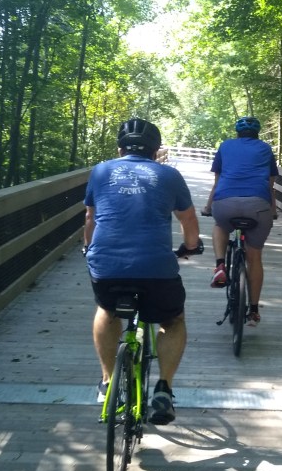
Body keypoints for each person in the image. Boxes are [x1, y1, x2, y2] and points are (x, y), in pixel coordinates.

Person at [83, 117, 203, 425]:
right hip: (156, 268)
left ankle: (108, 381)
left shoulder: (101, 171)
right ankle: (163, 389)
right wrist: (190, 247)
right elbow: (188, 221)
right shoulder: (169, 174)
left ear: (120, 149)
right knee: (172, 320)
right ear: (155, 151)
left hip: (107, 265)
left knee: (106, 309)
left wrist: (88, 248)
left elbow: (90, 219)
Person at [200, 116, 278, 327]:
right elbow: (270, 185)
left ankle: (220, 265)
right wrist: (273, 211)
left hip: (225, 203)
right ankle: (253, 310)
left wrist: (208, 207)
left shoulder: (225, 146)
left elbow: (218, 182)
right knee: (255, 256)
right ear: (257, 133)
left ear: (237, 132)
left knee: (220, 225)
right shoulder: (265, 148)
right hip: (258, 206)